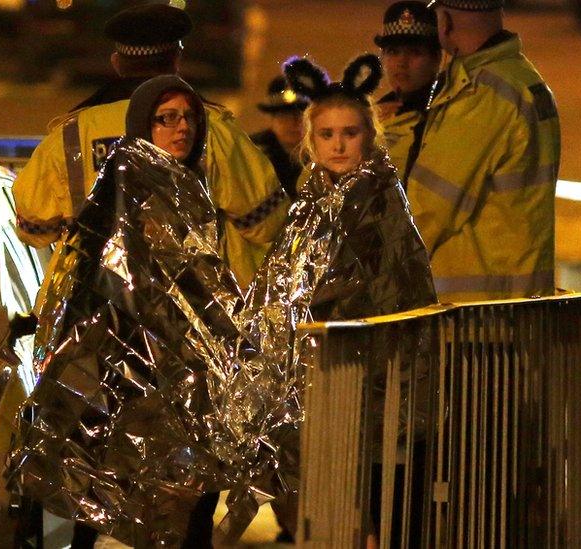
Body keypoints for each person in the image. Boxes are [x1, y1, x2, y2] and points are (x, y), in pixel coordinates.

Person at [7, 75, 247, 548]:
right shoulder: (120, 184)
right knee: (95, 492)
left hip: (185, 365)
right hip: (119, 363)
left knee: (194, 488)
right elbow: (97, 275)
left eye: (189, 118)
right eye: (167, 119)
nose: (183, 129)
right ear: (142, 124)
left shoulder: (195, 185)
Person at [227, 53, 437, 541]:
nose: (339, 144)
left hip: (376, 381)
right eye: (327, 134)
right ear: (310, 140)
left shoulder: (377, 198)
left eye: (350, 133)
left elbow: (383, 288)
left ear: (369, 135)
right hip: (324, 383)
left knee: (380, 510)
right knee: (330, 511)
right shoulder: (312, 199)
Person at [12, 2, 288, 289]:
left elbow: (34, 229)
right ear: (176, 58)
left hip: (95, 306)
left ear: (117, 62)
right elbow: (266, 223)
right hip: (196, 307)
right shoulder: (210, 127)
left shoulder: (71, 135)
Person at [407, 0, 560, 302]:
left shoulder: (482, 94)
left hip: (477, 318)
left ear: (446, 22)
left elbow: (425, 210)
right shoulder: (520, 78)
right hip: (513, 306)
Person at [373, 1, 441, 182]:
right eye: (393, 52)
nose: (401, 62)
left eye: (415, 52)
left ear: (436, 59)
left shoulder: (444, 115)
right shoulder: (375, 112)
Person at [250, 76, 309, 200]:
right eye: (284, 116)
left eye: (301, 115)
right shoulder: (253, 154)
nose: (294, 123)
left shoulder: (324, 154)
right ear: (271, 119)